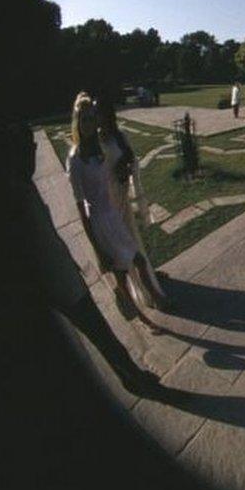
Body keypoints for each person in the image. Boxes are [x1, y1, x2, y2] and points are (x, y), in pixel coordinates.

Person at [66, 92, 161, 333]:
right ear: (77, 123)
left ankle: (156, 300)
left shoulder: (98, 149)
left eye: (91, 118)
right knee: (121, 274)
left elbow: (121, 152)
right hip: (100, 222)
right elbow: (81, 209)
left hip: (114, 216)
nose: (89, 124)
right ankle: (144, 321)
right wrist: (97, 249)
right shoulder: (75, 159)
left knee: (138, 260)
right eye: (84, 120)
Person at [95, 99, 169, 309]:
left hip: (122, 196)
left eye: (100, 113)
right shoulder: (94, 142)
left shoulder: (119, 137)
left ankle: (149, 281)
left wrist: (124, 167)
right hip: (107, 202)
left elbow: (129, 156)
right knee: (122, 247)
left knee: (133, 238)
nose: (97, 118)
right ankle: (139, 291)